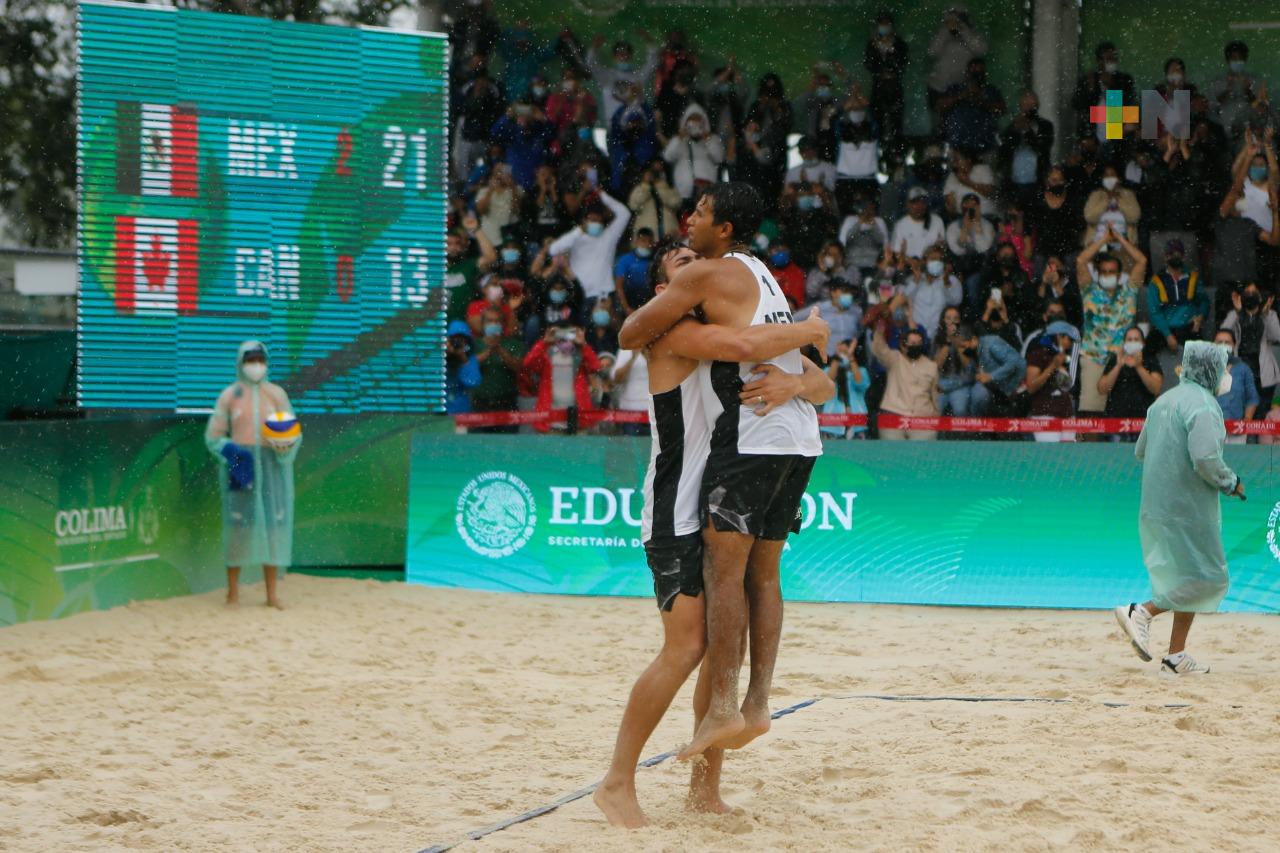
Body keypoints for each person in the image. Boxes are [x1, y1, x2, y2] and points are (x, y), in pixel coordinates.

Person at [594, 239, 832, 828]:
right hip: (673, 504)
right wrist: (810, 329)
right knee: (687, 646)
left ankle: (705, 788)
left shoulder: (721, 326)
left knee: (725, 638)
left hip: (711, 497)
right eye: (683, 266)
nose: (703, 271)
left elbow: (821, 385)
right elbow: (751, 343)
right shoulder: (670, 335)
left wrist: (796, 383)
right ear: (665, 292)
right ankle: (616, 781)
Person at [1113, 342, 1244, 677]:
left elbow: (1140, 450)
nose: (1225, 375)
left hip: (1156, 505)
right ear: (1210, 369)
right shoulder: (1204, 405)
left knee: (1188, 576)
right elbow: (1205, 459)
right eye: (1223, 368)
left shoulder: (1162, 402)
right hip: (1187, 508)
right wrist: (1231, 482)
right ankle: (1141, 611)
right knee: (1210, 577)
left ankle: (1176, 657)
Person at [204, 341, 297, 610]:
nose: (255, 366)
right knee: (238, 528)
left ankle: (272, 595)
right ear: (240, 363)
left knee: (273, 527)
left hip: (271, 468)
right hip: (240, 466)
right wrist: (232, 452)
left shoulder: (276, 394)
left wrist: (284, 448)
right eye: (250, 360)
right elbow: (214, 436)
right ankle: (232, 594)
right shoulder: (230, 395)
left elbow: (292, 430)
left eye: (260, 360)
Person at [1076, 227, 1146, 416]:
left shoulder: (1129, 292)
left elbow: (1142, 261)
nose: (1108, 274)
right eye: (1104, 272)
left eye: (1112, 271)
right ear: (1098, 274)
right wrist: (1103, 240)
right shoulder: (1089, 291)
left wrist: (1120, 240)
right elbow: (1081, 261)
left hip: (1122, 358)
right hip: (1093, 357)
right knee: (1091, 417)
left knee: (1124, 414)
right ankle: (1091, 448)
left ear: (1118, 274)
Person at [871, 300, 940, 440]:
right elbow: (879, 348)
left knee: (922, 456)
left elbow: (935, 395)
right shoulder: (895, 359)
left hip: (922, 417)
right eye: (912, 343)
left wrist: (936, 418)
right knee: (891, 454)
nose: (916, 346)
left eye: (919, 343)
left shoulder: (931, 366)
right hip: (894, 415)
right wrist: (880, 329)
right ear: (903, 346)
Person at [548, 190, 632, 300]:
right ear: (585, 221)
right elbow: (553, 249)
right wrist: (578, 231)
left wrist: (602, 195)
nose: (595, 222)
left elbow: (625, 213)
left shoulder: (609, 236)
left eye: (598, 220)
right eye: (592, 219)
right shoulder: (576, 236)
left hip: (604, 294)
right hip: (579, 294)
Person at [1220, 283, 1280, 415]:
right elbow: (1222, 334)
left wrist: (1266, 315)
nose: (1250, 295)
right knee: (1239, 411)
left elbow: (1277, 336)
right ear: (1241, 296)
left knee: (1261, 413)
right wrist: (1237, 312)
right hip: (1239, 368)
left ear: (1260, 296)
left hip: (1263, 372)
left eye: (1254, 292)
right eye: (1247, 292)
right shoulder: (1234, 314)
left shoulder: (1269, 314)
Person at [1146, 239, 1209, 355]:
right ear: (1165, 257)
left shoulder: (1193, 277)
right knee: (1146, 355)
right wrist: (1168, 335)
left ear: (1183, 256)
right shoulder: (1156, 281)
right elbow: (1154, 312)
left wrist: (1200, 316)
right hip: (1163, 329)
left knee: (1204, 359)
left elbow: (1204, 302)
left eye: (1178, 254)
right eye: (1170, 254)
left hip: (1189, 328)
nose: (1174, 257)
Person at [471, 307, 526, 433]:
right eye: (490, 321)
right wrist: (488, 351)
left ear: (503, 324)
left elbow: (518, 367)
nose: (494, 324)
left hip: (507, 404)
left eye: (497, 321)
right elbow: (467, 366)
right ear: (483, 324)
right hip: (480, 404)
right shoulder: (474, 344)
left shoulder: (514, 344)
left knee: (508, 447)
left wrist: (499, 349)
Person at [1023, 321, 1080, 442]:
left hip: (1066, 414)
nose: (1070, 344)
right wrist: (1052, 367)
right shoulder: (1037, 355)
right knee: (1051, 457)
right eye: (1069, 339)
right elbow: (1031, 387)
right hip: (1046, 414)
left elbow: (1068, 386)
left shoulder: (1063, 358)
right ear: (1059, 336)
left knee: (1069, 457)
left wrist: (1060, 366)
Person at [1098, 326, 1164, 428]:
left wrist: (1139, 367)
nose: (1133, 342)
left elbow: (1156, 388)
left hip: (1143, 423)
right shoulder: (1116, 359)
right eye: (1129, 340)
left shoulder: (1150, 359)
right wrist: (1118, 366)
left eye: (1136, 340)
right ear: (1124, 343)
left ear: (1143, 343)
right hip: (1116, 421)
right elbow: (1102, 389)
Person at [1212, 328, 1259, 443]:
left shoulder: (1243, 369)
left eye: (1227, 342)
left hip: (1237, 430)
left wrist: (1247, 419)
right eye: (1219, 342)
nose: (1223, 345)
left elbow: (1252, 397)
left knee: (1236, 460)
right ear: (1212, 344)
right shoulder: (1205, 368)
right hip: (1210, 429)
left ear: (1234, 345)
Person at [822, 338, 871, 439]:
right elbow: (827, 383)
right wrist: (837, 358)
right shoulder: (828, 370)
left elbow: (860, 383)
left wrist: (850, 358)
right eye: (841, 352)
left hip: (857, 422)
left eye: (845, 352)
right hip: (831, 422)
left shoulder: (861, 371)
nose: (843, 355)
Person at [891, 187, 945, 259]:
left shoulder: (937, 220)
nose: (919, 206)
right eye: (915, 202)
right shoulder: (900, 225)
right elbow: (896, 253)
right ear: (908, 204)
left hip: (931, 265)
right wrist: (912, 262)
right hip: (909, 265)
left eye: (922, 202)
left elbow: (942, 248)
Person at [445, 321, 482, 414]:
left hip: (460, 411)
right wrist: (445, 352)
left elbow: (473, 382)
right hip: (438, 413)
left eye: (461, 341)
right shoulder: (438, 356)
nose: (456, 344)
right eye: (454, 340)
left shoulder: (469, 359)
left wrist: (463, 358)